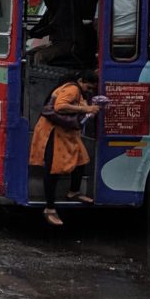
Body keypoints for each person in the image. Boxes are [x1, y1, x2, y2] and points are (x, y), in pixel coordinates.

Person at [30, 70, 101, 227]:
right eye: (89, 87)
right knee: (53, 169)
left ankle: (73, 192)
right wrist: (86, 109)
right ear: (81, 81)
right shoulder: (73, 89)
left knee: (82, 159)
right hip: (54, 133)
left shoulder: (75, 89)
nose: (89, 91)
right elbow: (60, 106)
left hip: (66, 133)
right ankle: (49, 208)